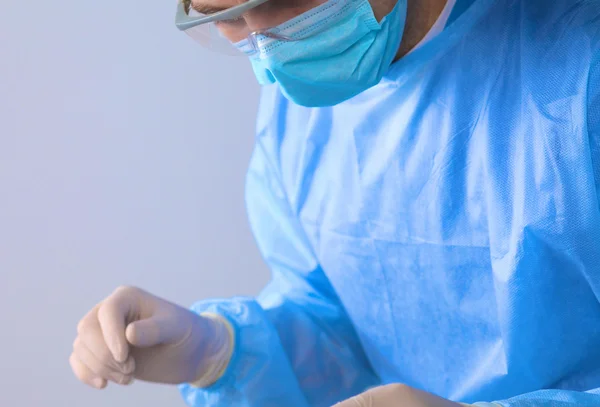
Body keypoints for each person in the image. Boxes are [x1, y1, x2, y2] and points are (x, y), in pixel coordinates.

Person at [69, 0, 600, 406]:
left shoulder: (580, 72)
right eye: (221, 14)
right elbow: (342, 330)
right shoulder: (300, 120)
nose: (266, 43)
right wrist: (223, 352)